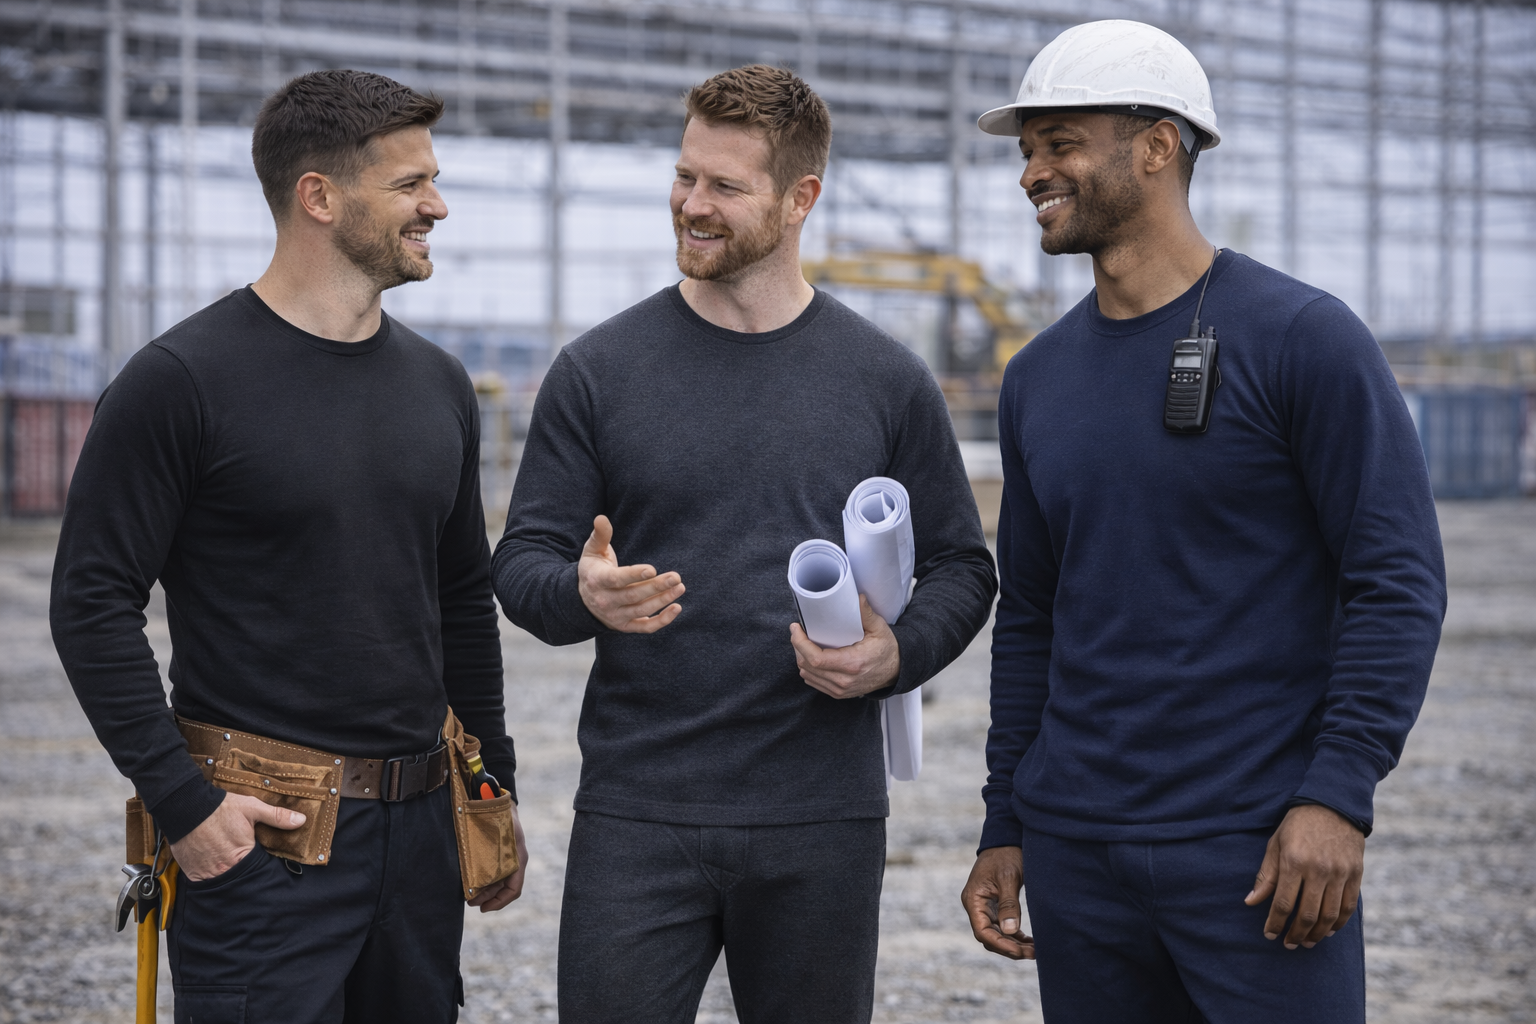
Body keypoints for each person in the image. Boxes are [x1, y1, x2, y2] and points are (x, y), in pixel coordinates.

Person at [959, 20, 1446, 1024]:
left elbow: (1395, 582)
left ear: (1156, 145)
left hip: (1262, 855)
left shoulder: (1304, 341)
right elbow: (1034, 619)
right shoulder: (1037, 379)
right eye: (1027, 150)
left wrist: (1337, 794)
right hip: (1079, 857)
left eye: (1060, 142)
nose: (1033, 173)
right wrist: (1005, 820)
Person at [494, 64, 997, 1024]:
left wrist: (897, 654)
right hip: (638, 812)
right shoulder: (597, 372)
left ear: (800, 198)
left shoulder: (884, 380)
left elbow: (965, 570)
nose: (692, 204)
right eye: (686, 177)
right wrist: (580, 595)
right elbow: (520, 565)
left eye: (725, 186)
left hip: (823, 818)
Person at [50, 69, 526, 1024]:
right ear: (319, 196)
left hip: (424, 834)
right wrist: (183, 806)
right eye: (409, 185)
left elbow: (461, 601)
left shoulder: (439, 387)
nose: (437, 205)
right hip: (263, 842)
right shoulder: (179, 383)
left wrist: (490, 787)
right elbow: (91, 603)